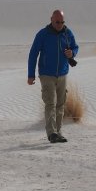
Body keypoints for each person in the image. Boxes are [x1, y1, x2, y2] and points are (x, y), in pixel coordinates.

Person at [27, 9, 79, 143]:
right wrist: (31, 74)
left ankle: (58, 132)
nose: (60, 24)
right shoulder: (43, 34)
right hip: (46, 74)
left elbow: (75, 47)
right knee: (50, 103)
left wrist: (72, 53)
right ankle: (51, 133)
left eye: (62, 22)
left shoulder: (67, 33)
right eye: (57, 22)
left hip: (63, 73)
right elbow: (33, 54)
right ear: (51, 19)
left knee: (60, 104)